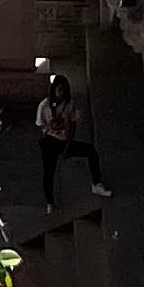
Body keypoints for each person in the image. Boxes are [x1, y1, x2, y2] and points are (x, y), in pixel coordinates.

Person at [33, 66, 104, 207]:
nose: (62, 93)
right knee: (49, 172)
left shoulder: (69, 104)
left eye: (64, 90)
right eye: (59, 90)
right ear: (54, 90)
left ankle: (96, 184)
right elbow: (39, 125)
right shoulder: (45, 105)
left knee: (90, 151)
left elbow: (72, 125)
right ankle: (50, 203)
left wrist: (68, 145)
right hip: (50, 141)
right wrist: (47, 131)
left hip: (64, 140)